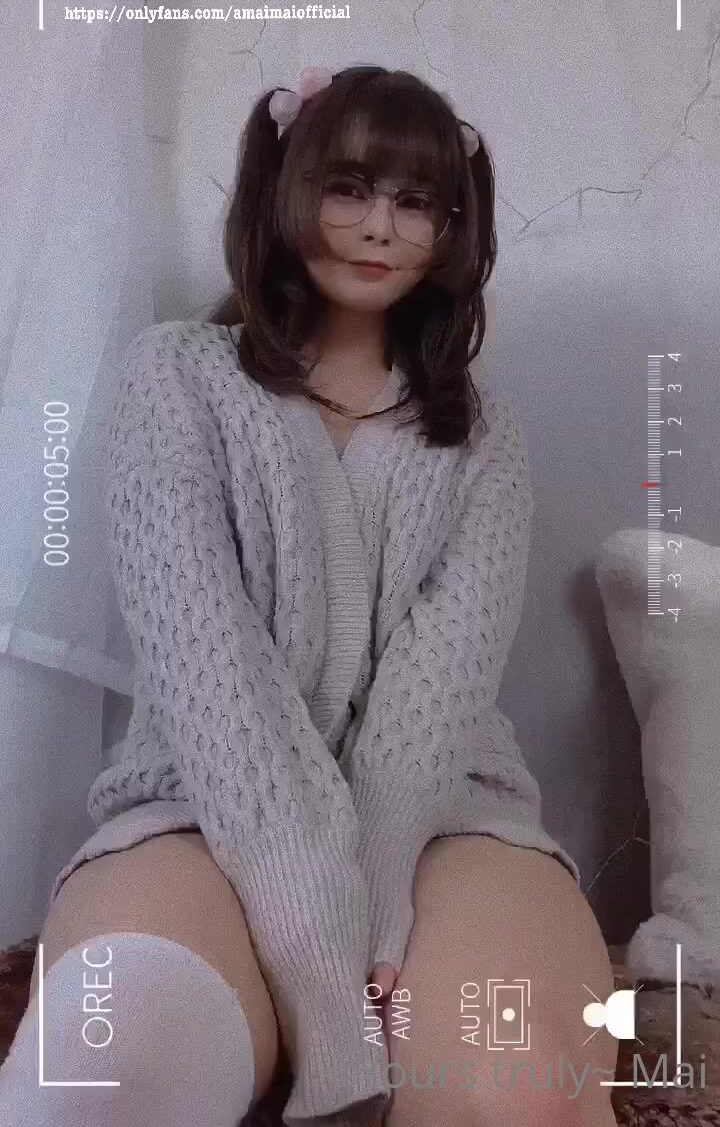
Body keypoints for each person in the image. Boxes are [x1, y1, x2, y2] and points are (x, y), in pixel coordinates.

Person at [0, 64, 618, 1127]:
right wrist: (320, 951)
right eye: (348, 187)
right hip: (199, 803)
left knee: (512, 1082)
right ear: (286, 190)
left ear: (452, 229)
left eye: (416, 200)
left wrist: (377, 880)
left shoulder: (482, 436)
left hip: (444, 817)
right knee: (100, 1068)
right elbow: (210, 671)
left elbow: (438, 692)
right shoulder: (175, 378)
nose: (380, 226)